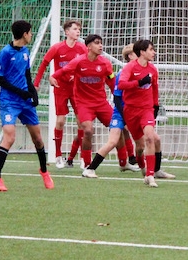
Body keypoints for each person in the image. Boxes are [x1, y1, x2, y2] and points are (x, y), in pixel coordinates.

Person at [57, 35, 140, 178]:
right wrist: (53, 78)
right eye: (97, 43)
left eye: (101, 43)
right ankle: (87, 164)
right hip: (83, 104)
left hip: (101, 103)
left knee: (118, 128)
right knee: (88, 131)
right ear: (88, 46)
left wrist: (123, 97)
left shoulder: (105, 63)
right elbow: (62, 72)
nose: (100, 46)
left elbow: (113, 83)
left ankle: (124, 163)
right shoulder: (78, 61)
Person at [0, 20, 54, 191]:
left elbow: (27, 74)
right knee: (10, 137)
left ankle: (44, 172)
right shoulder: (5, 52)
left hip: (25, 101)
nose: (31, 35)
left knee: (38, 138)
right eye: (30, 32)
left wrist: (32, 93)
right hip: (9, 101)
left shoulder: (25, 51)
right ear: (25, 34)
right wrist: (21, 92)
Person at [33, 19, 86, 168]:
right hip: (60, 88)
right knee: (61, 121)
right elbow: (44, 64)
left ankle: (82, 156)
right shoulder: (57, 48)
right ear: (67, 32)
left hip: (77, 89)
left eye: (79, 29)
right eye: (75, 29)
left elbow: (86, 66)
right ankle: (58, 155)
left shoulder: (82, 49)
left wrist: (78, 77)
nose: (78, 31)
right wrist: (36, 84)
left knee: (82, 122)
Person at [118, 39, 171, 187]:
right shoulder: (129, 68)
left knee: (150, 138)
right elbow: (121, 85)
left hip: (146, 109)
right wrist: (139, 82)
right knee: (140, 146)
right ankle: (141, 164)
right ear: (142, 52)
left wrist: (155, 106)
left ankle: (150, 175)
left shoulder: (153, 69)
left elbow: (154, 89)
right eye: (151, 49)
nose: (154, 52)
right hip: (131, 110)